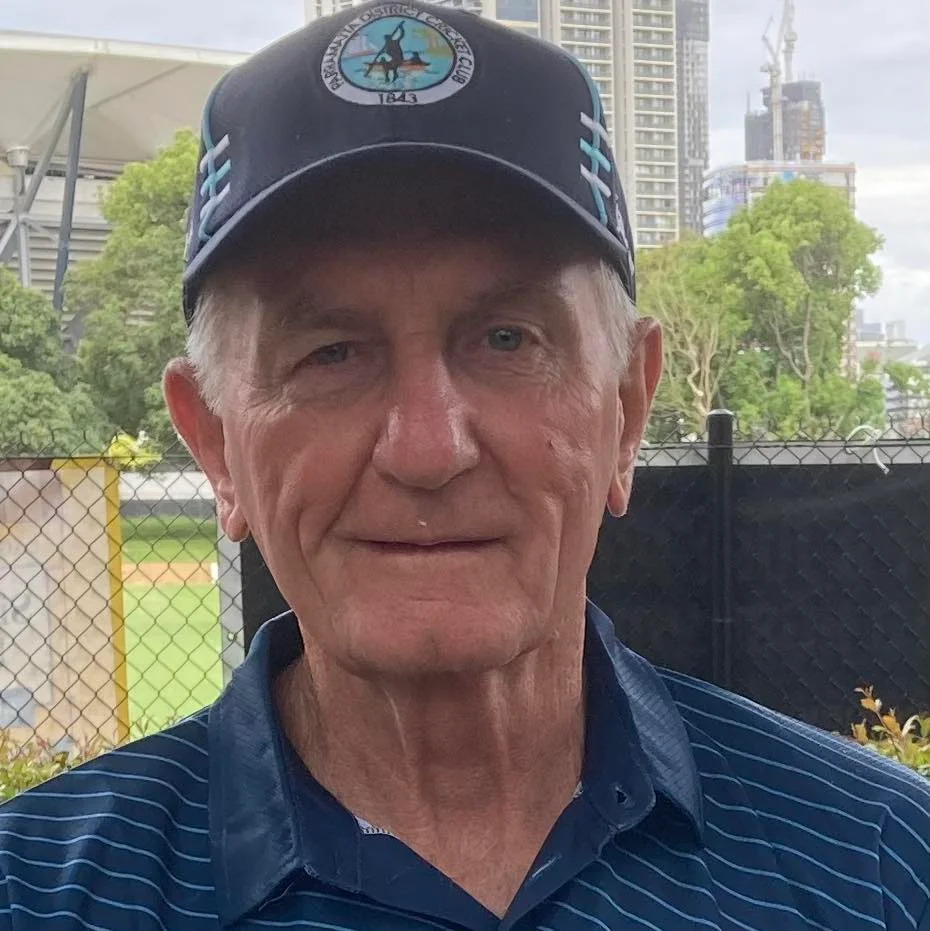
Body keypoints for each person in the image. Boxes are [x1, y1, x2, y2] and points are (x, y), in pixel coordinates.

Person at [1, 2, 929, 929]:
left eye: (507, 338)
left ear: (626, 410)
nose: (427, 449)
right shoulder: (33, 893)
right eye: (331, 353)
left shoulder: (883, 864)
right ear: (214, 442)